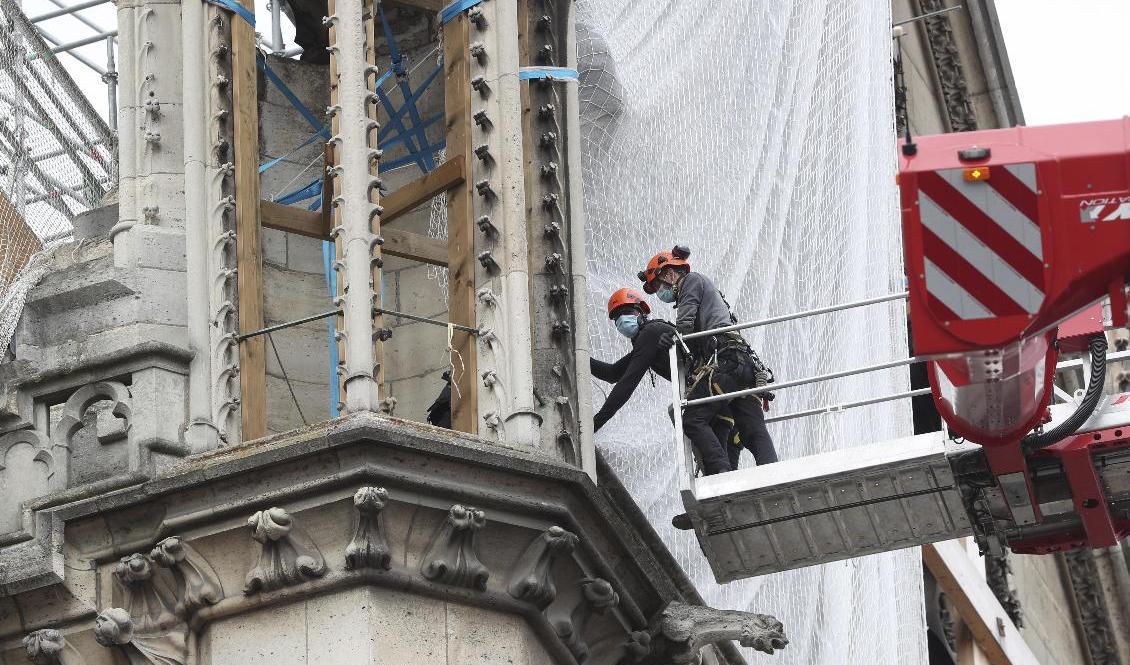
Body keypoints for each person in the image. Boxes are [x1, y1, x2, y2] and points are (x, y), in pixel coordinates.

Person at [640, 245, 778, 474]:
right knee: (751, 430)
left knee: (692, 418)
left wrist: (672, 338)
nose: (659, 292)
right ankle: (773, 475)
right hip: (742, 364)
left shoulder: (690, 281)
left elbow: (685, 325)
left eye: (658, 286)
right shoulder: (707, 292)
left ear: (670, 273)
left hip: (726, 363)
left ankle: (721, 475)